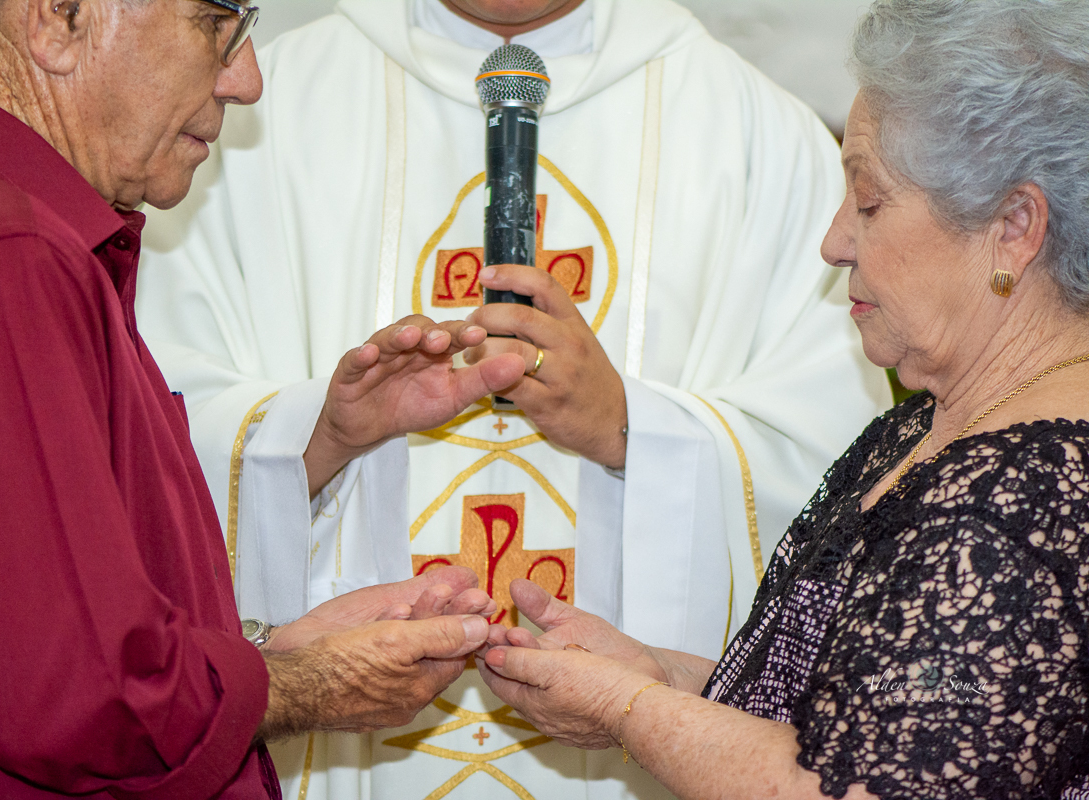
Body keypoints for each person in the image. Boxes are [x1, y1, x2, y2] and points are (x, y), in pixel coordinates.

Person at [135, 0, 892, 796]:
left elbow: (847, 469)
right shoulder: (252, 103)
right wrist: (319, 436)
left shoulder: (755, 135)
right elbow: (140, 425)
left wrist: (630, 430)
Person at [0, 0, 527, 797]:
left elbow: (30, 615)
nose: (247, 79)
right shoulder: (0, 255)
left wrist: (274, 652)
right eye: (214, 22)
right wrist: (312, 685)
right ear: (56, 18)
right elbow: (69, 694)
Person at [473, 1, 1089, 797]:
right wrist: (656, 678)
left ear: (1013, 227)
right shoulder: (919, 428)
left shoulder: (1023, 507)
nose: (834, 242)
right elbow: (842, 720)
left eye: (868, 202)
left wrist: (629, 708)